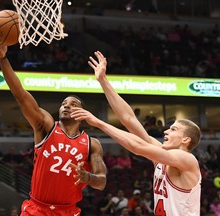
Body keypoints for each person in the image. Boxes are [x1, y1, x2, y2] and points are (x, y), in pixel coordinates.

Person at [0, 30, 107, 215]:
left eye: (73, 104)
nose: (66, 106)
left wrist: (87, 177)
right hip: (36, 209)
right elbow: (21, 95)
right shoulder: (46, 126)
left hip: (67, 211)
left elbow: (101, 181)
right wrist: (2, 59)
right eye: (63, 104)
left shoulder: (92, 144)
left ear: (83, 113)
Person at [71, 51, 202, 215]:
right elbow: (129, 119)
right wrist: (103, 80)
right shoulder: (162, 156)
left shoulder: (187, 159)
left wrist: (99, 123)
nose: (166, 130)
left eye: (173, 129)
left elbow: (137, 147)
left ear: (186, 139)